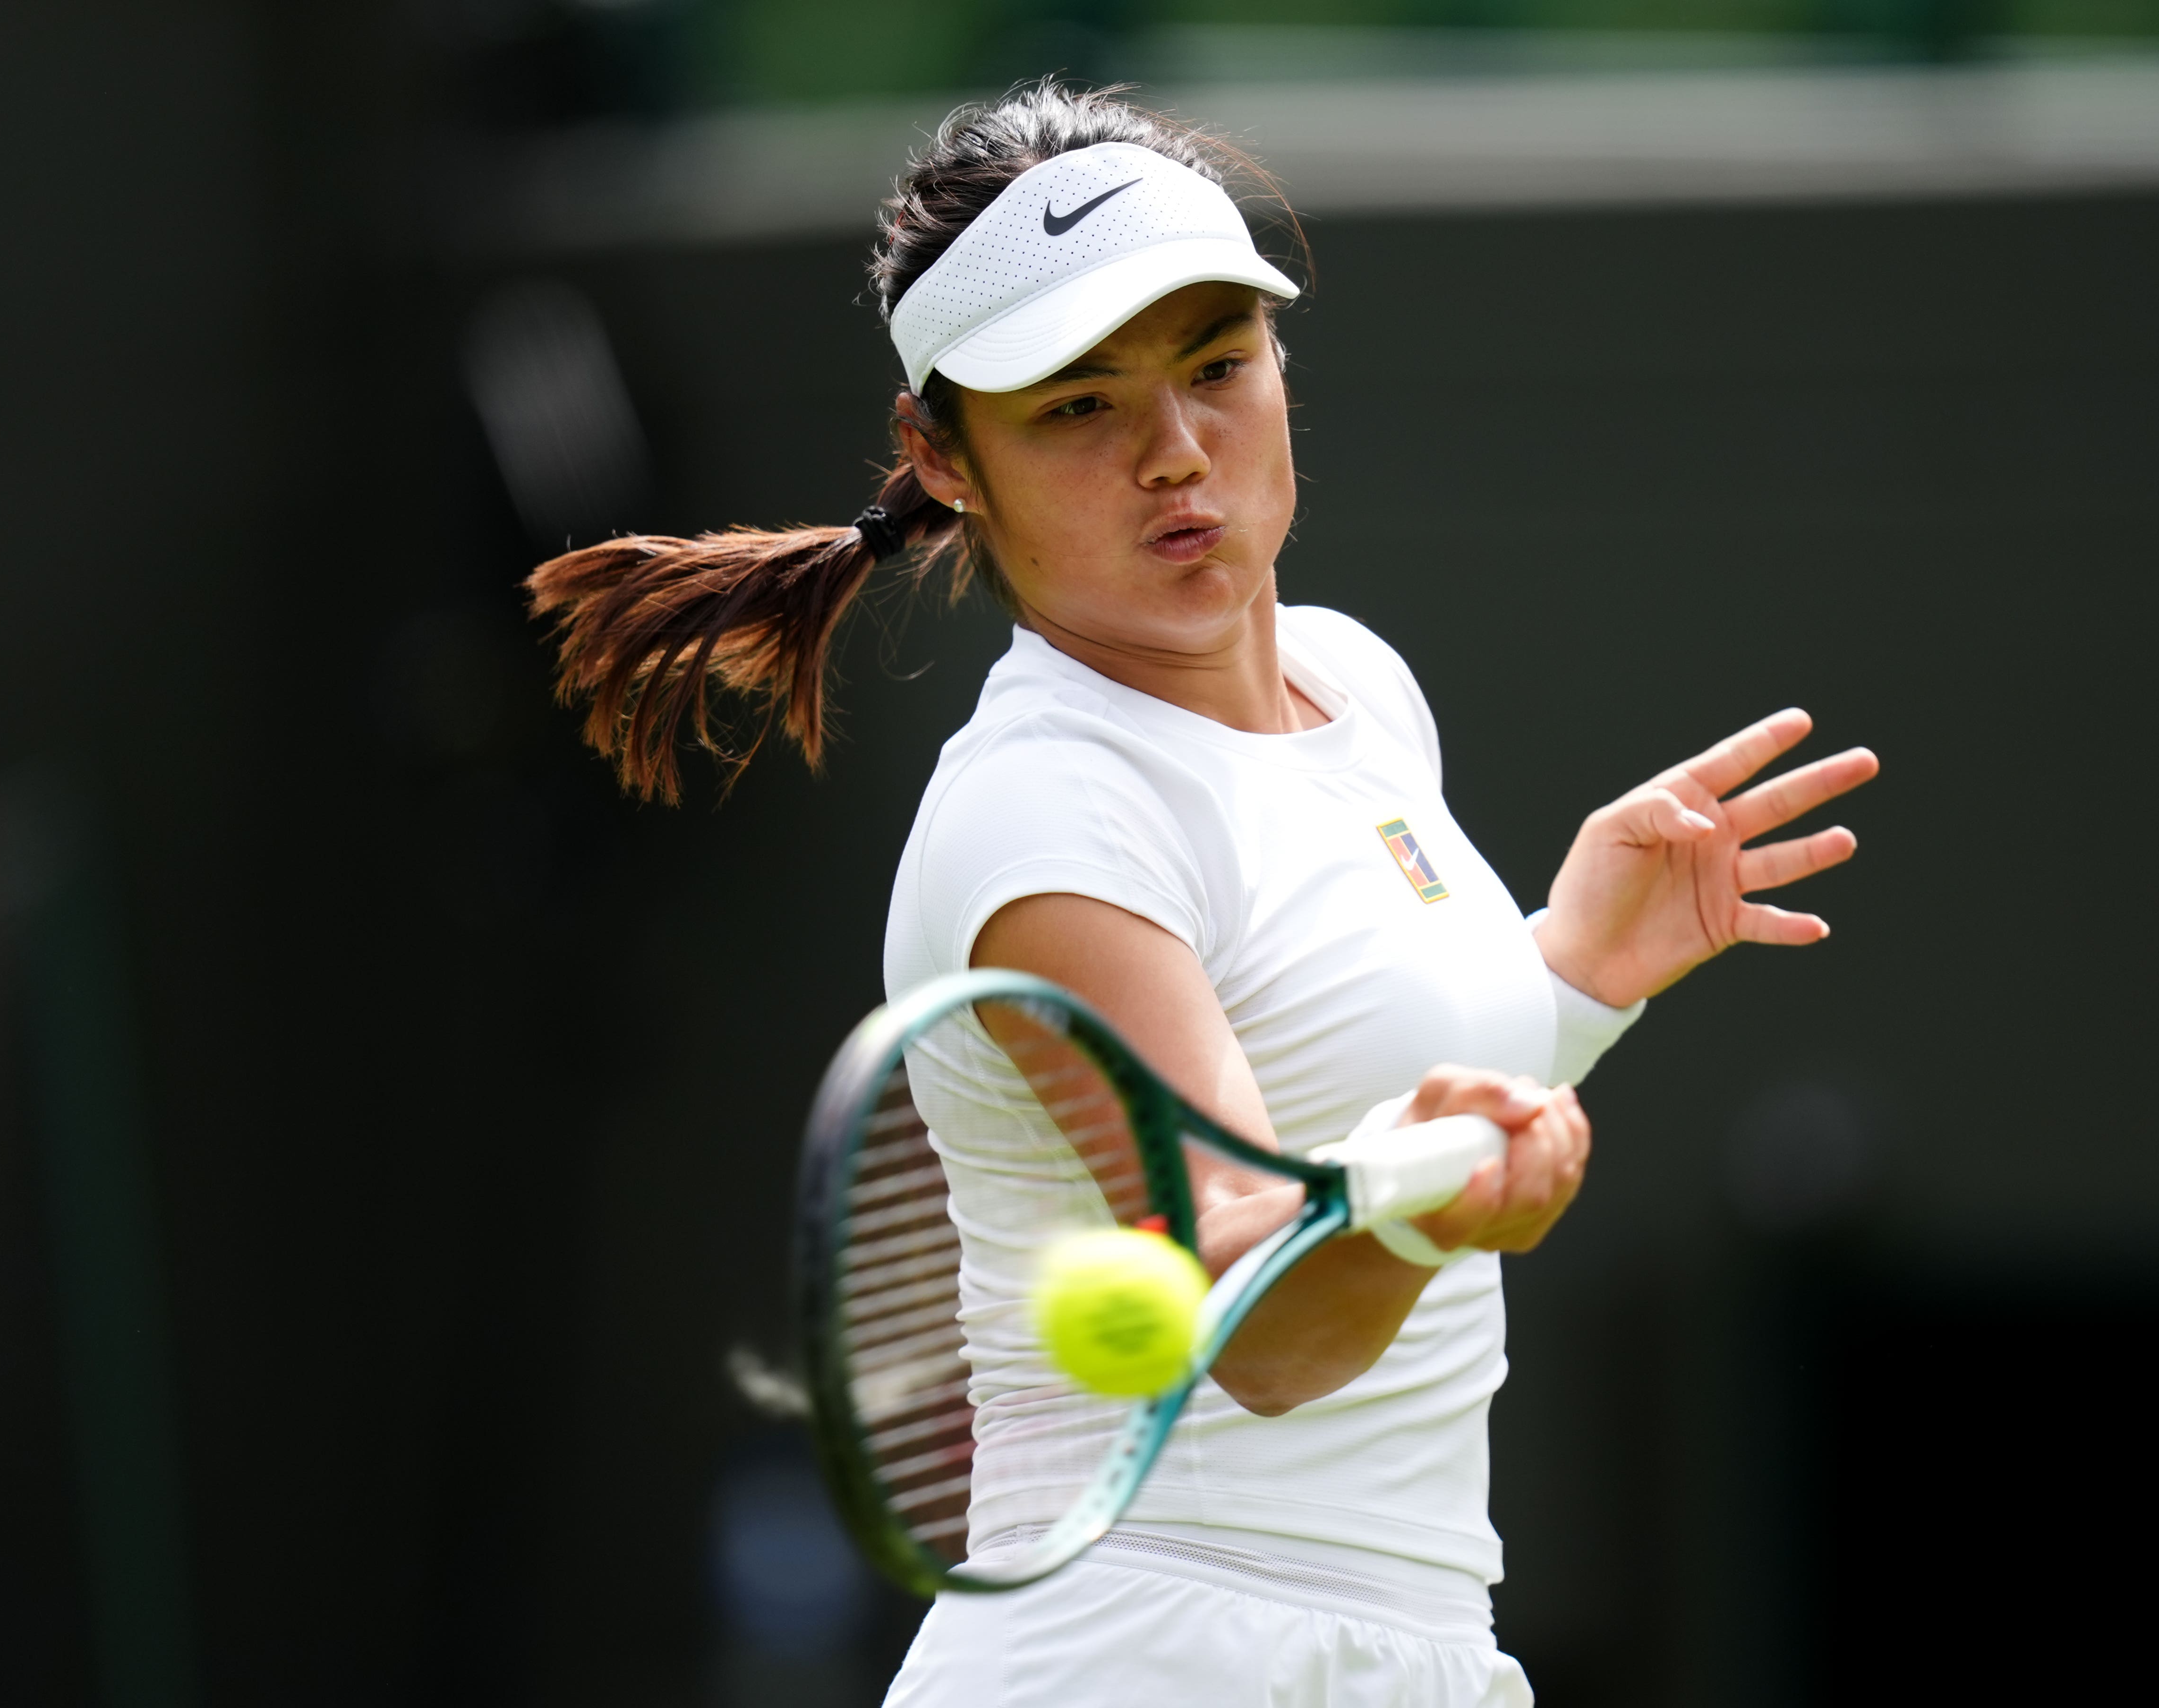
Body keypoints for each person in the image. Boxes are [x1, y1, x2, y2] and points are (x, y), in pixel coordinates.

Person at [529, 81, 1877, 1708]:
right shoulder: (1050, 819)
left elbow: (1370, 1098)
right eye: (1078, 408)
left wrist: (1574, 980)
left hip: (1398, 1648)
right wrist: (1434, 1213)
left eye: (1217, 369)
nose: (1176, 454)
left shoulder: (1354, 687)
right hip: (1148, 1652)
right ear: (944, 460)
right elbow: (1270, 1330)